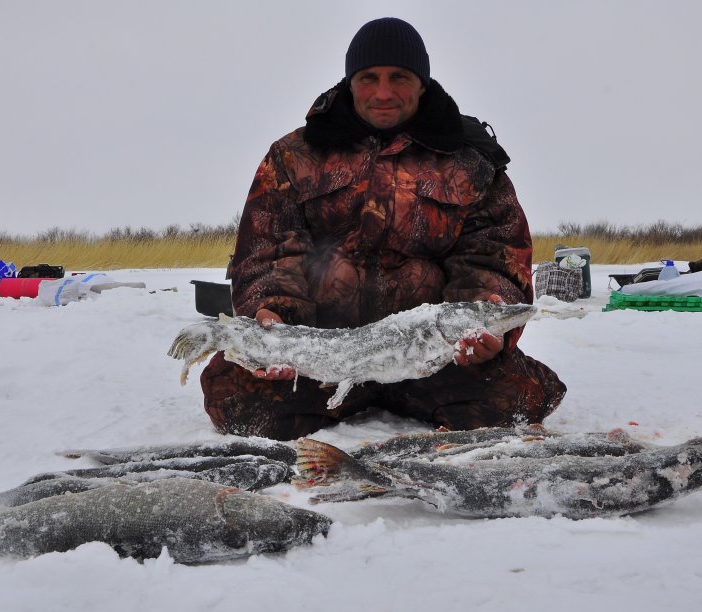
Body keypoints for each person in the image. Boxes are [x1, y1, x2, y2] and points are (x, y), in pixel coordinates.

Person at [200, 17, 566, 439]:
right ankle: (340, 393)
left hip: (434, 358)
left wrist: (485, 317)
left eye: (400, 77)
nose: (384, 92)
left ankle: (411, 396)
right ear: (350, 82)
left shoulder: (471, 161)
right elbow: (271, 251)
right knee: (236, 402)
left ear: (422, 84)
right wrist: (272, 314)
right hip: (321, 357)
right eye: (369, 77)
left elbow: (493, 254)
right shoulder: (293, 155)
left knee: (519, 402)